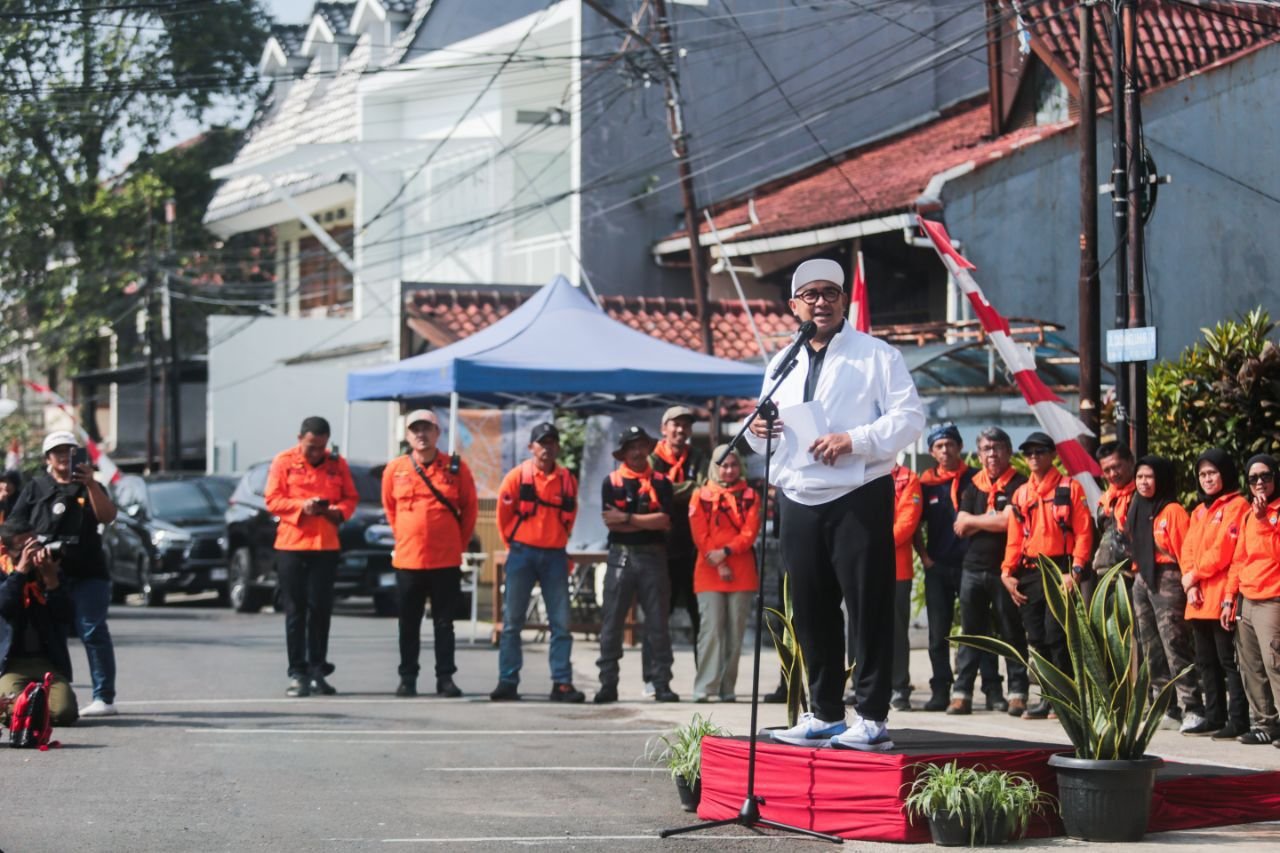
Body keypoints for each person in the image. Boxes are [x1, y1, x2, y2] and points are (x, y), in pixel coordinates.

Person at [747, 258, 924, 751]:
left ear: (844, 300)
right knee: (810, 609)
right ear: (794, 305)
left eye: (829, 293)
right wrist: (760, 431)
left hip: (858, 493)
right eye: (810, 294)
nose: (820, 301)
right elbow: (766, 430)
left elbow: (910, 418)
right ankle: (822, 711)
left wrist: (856, 439)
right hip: (798, 496)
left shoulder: (877, 355)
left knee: (868, 608)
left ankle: (870, 716)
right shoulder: (781, 362)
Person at [7, 431, 119, 717]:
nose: (64, 456)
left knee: (92, 629)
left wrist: (92, 484)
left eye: (69, 451)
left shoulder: (89, 484)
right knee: (47, 630)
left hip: (87, 572)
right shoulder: (35, 488)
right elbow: (14, 527)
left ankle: (103, 697)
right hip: (44, 574)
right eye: (57, 451)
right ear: (47, 458)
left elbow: (107, 516)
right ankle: (44, 685)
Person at [381, 409, 478, 699]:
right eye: (415, 430)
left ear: (438, 433)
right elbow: (390, 509)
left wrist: (456, 545)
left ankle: (445, 678)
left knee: (444, 623)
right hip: (408, 560)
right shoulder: (395, 469)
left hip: (445, 560)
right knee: (408, 623)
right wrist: (405, 537)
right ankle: (407, 677)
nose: (421, 435)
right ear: (408, 435)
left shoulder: (456, 469)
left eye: (427, 429)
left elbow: (469, 510)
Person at [1001, 431, 1093, 719]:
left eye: (1040, 452)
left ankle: (1066, 698)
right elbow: (1014, 539)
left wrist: (1075, 571)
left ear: (1052, 455)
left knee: (1057, 636)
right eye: (1029, 453)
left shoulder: (1069, 487)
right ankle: (1047, 698)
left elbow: (1084, 532)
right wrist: (1006, 571)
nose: (1033, 457)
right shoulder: (1021, 493)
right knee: (1036, 638)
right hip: (1029, 572)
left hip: (1060, 570)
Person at [265, 416, 359, 698]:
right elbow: (272, 499)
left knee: (320, 610)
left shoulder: (336, 464)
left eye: (320, 447)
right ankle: (298, 672)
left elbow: (350, 498)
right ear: (299, 439)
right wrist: (301, 507)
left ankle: (318, 668)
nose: (316, 452)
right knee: (296, 611)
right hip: (292, 545)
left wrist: (335, 511)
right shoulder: (283, 462)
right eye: (310, 446)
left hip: (325, 546)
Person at [491, 422, 584, 703]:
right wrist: (514, 546)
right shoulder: (517, 477)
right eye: (542, 443)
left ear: (557, 447)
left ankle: (562, 683)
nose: (547, 448)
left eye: (552, 442)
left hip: (555, 555)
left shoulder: (566, 479)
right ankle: (508, 680)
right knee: (512, 622)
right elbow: (502, 517)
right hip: (522, 554)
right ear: (531, 447)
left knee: (561, 623)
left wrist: (557, 541)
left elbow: (570, 516)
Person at [915, 423, 1000, 712]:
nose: (945, 450)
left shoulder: (976, 479)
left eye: (950, 444)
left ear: (960, 447)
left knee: (980, 630)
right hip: (939, 567)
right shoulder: (925, 484)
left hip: (972, 566)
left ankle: (992, 689)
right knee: (938, 632)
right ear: (931, 451)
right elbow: (915, 523)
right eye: (939, 446)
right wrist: (925, 558)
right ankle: (941, 689)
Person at [951, 427, 1031, 717]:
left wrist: (978, 520)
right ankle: (962, 694)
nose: (992, 454)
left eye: (997, 448)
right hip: (972, 568)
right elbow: (960, 523)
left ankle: (1018, 693)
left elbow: (1009, 523)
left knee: (1011, 632)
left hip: (1006, 570)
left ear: (1009, 452)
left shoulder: (1019, 484)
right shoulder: (972, 484)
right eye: (986, 449)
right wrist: (990, 518)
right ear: (979, 453)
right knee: (971, 633)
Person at [595, 426, 677, 703]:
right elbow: (609, 520)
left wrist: (627, 518)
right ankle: (608, 683)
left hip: (654, 555)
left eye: (642, 445)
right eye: (632, 447)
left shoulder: (662, 482)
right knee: (612, 622)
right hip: (620, 555)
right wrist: (643, 521)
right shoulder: (613, 481)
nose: (638, 451)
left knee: (657, 623)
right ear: (623, 452)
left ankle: (661, 682)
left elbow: (664, 521)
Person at [1128, 455, 1205, 734]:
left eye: (1149, 477)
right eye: (1139, 477)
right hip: (1142, 579)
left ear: (1160, 478)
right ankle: (1165, 707)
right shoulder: (1136, 506)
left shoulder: (1172, 510)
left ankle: (1193, 707)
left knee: (1174, 643)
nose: (1143, 482)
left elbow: (1187, 551)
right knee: (1150, 647)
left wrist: (1190, 583)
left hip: (1169, 578)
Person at [1180, 448, 1251, 740]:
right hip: (1197, 598)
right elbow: (1188, 549)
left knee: (1228, 662)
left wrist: (1194, 575)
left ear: (1225, 473)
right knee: (1205, 661)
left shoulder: (1238, 505)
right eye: (1203, 474)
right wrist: (1190, 582)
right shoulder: (1198, 510)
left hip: (1222, 596)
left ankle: (1238, 720)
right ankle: (1214, 716)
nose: (1207, 479)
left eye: (1213, 473)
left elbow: (1224, 549)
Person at [688, 445, 760, 703]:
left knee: (735, 633)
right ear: (714, 467)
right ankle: (704, 687)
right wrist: (719, 562)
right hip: (708, 572)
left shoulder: (751, 495)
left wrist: (726, 553)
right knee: (711, 632)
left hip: (742, 573)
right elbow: (700, 535)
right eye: (723, 465)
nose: (728, 470)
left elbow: (750, 533)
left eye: (733, 465)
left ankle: (727, 688)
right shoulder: (700, 494)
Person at [643, 406, 707, 696]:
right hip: (659, 550)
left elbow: (706, 489)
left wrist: (674, 489)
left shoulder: (698, 457)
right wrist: (688, 488)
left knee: (700, 619)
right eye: (675, 425)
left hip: (694, 550)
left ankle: (704, 683)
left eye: (686, 426)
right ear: (664, 428)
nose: (680, 430)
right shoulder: (651, 459)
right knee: (658, 618)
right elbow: (656, 491)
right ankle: (652, 679)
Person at [1222, 454, 1280, 746]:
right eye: (1254, 478)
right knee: (1250, 664)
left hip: (1273, 598)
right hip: (1247, 596)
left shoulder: (1276, 512)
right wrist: (1229, 597)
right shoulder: (1247, 515)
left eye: (1266, 476)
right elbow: (1239, 559)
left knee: (1275, 662)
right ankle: (1265, 724)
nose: (1260, 482)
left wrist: (1264, 521)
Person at [0, 520, 79, 725]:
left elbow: (67, 617)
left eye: (33, 544)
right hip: (11, 664)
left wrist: (52, 581)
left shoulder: (49, 571)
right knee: (12, 710)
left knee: (64, 713)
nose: (31, 551)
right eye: (23, 547)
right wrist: (19, 573)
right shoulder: (3, 574)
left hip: (47, 662)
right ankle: (31, 707)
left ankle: (36, 705)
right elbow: (4, 606)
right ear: (7, 549)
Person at [884, 461, 922, 712]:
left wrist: (874, 544)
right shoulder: (860, 473)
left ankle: (899, 687)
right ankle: (859, 684)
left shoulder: (908, 479)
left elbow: (907, 522)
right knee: (858, 627)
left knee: (896, 629)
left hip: (896, 567)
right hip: (861, 566)